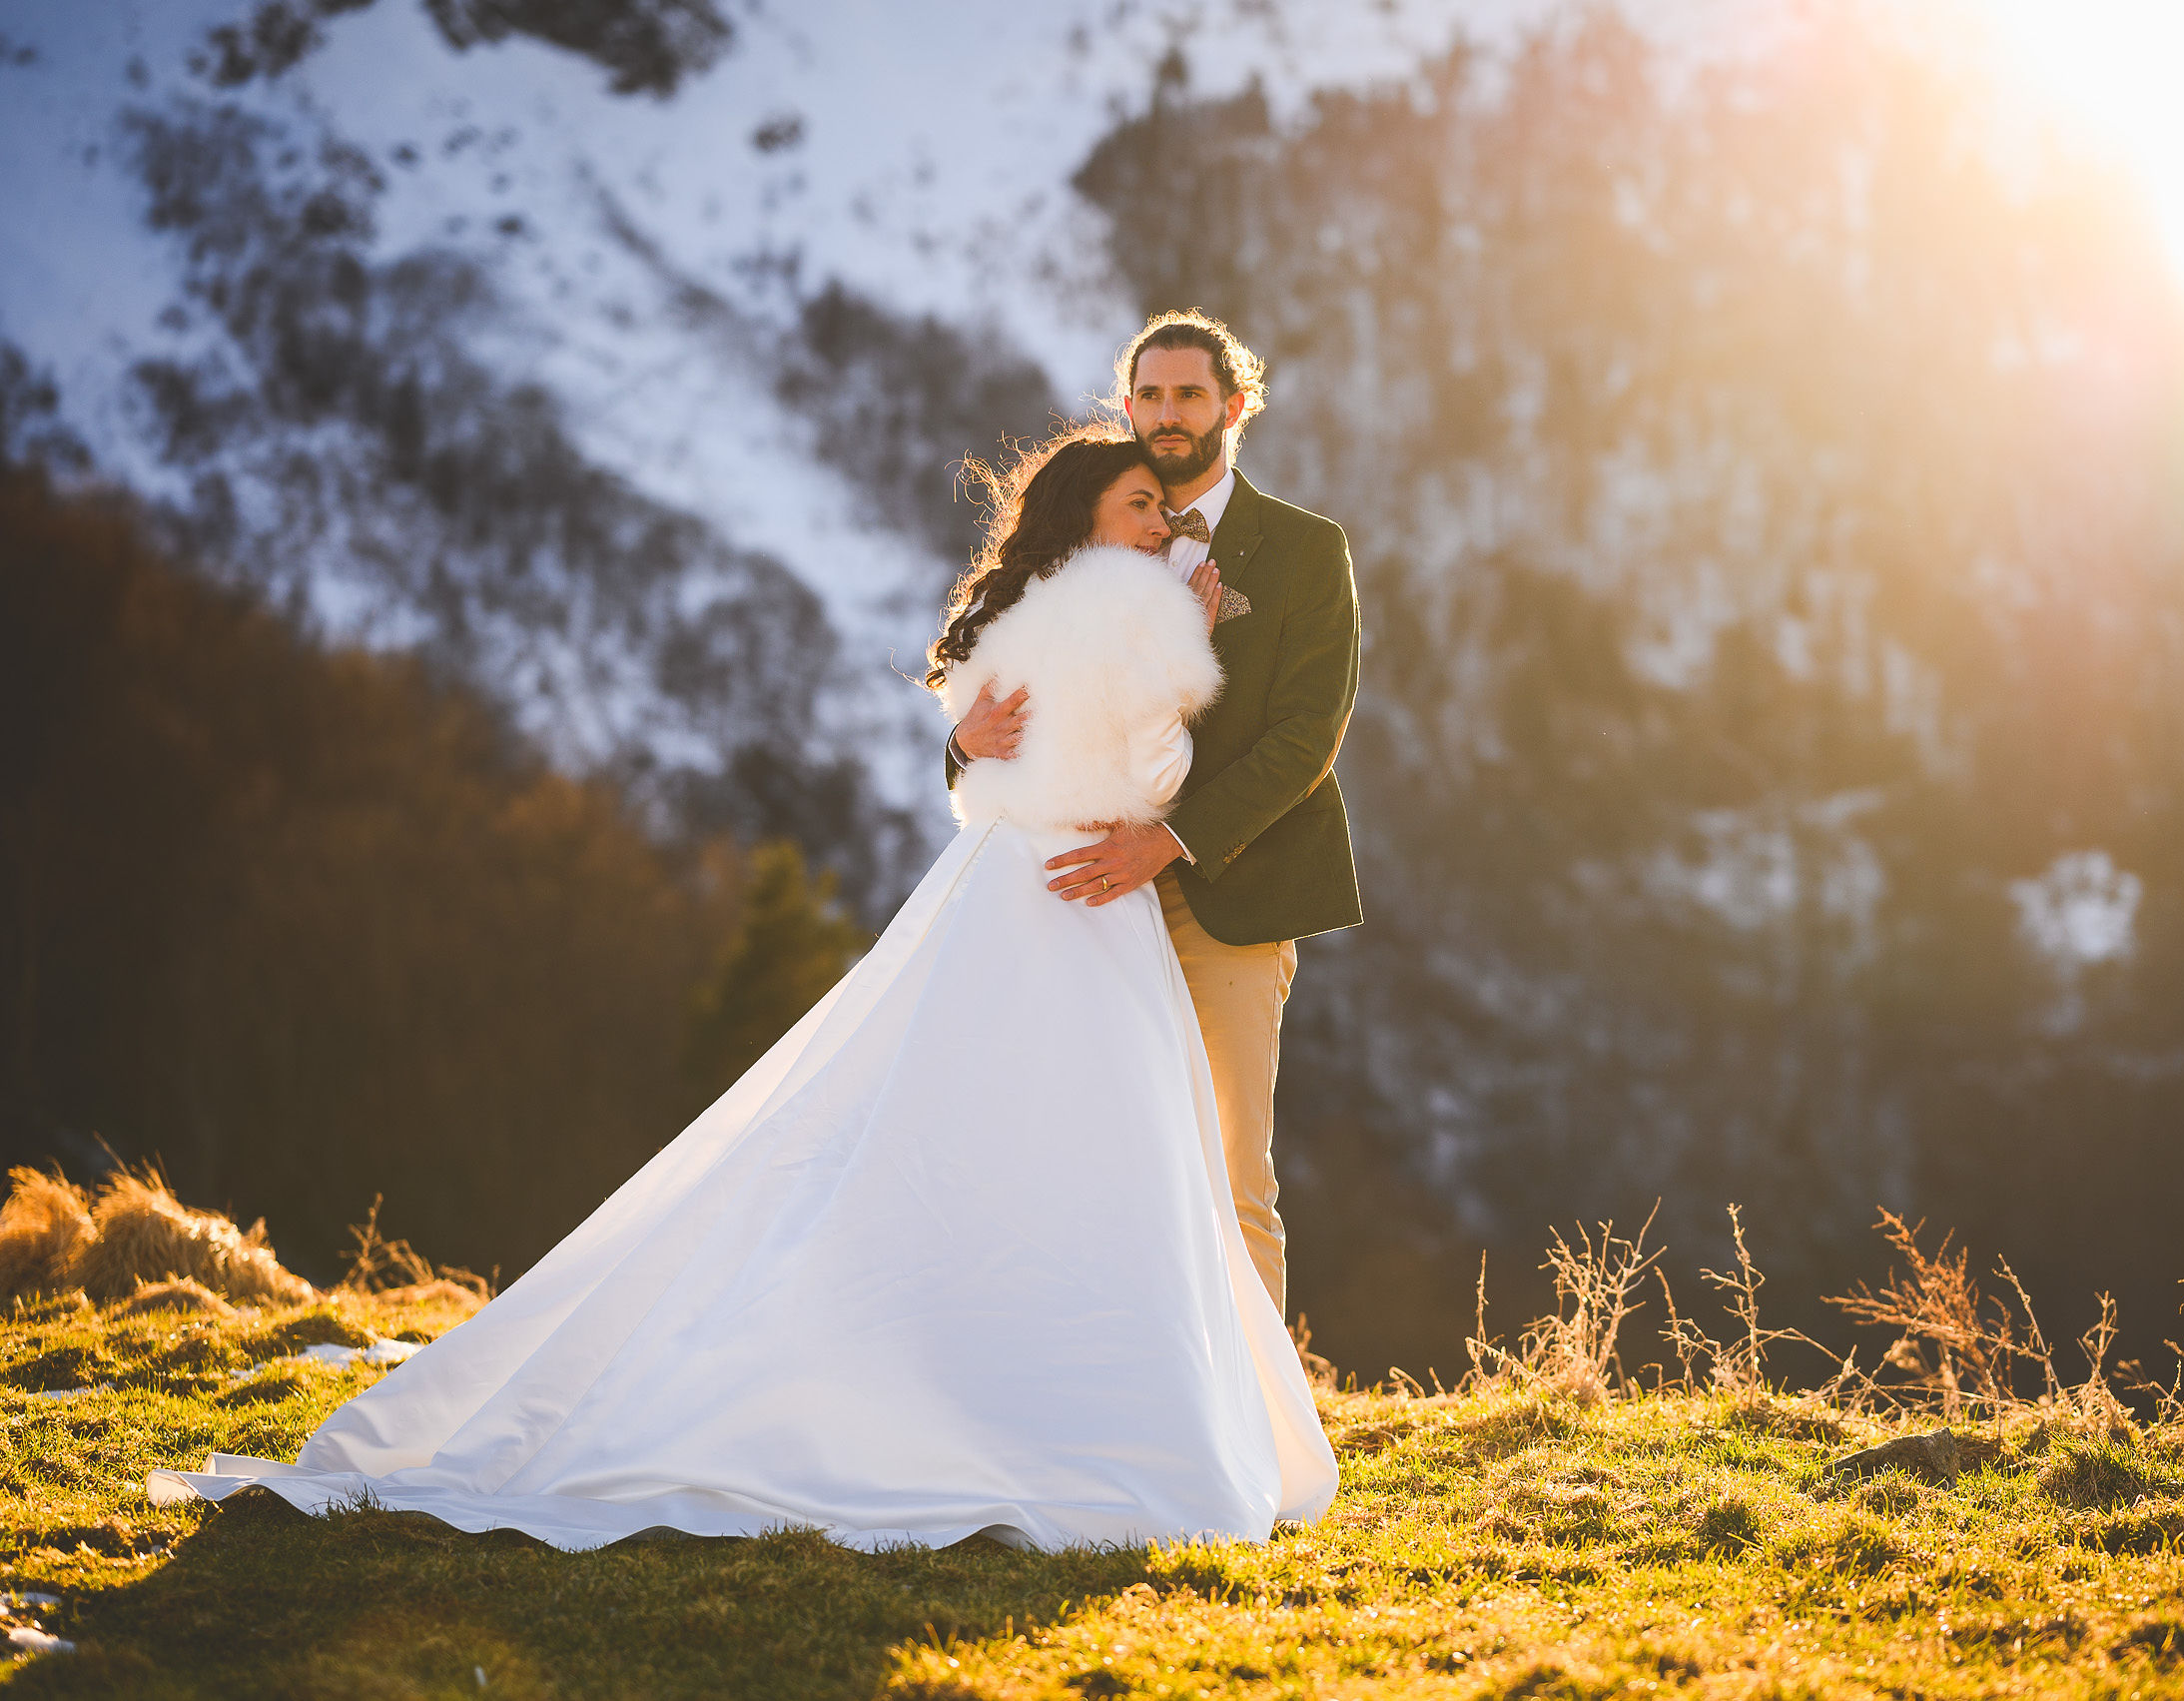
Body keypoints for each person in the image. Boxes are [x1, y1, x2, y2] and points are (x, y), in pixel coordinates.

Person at [149, 427, 1338, 1552]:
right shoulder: (1137, 617)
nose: (1160, 518)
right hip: (1082, 903)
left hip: (994, 891)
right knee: (1106, 1155)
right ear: (1092, 514)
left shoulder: (1014, 611)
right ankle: (1069, 1399)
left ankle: (937, 1377)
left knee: (942, 1143)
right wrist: (1183, 661)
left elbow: (985, 749)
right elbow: (1152, 768)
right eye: (1138, 503)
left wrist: (976, 749)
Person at [949, 311, 1362, 1315]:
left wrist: (1169, 838)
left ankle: (1256, 1438)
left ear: (1233, 403)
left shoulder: (1305, 551)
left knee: (1228, 1173)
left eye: (1190, 393)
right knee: (1087, 1165)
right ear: (1126, 405)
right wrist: (962, 743)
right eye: (1151, 394)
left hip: (1229, 889)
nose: (1168, 413)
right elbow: (996, 679)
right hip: (1081, 904)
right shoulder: (1089, 532)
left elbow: (1305, 739)